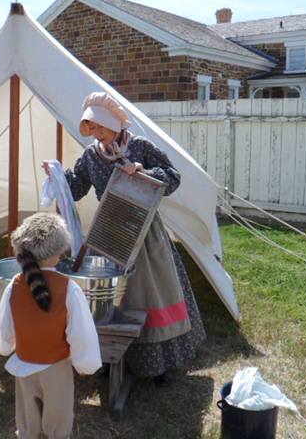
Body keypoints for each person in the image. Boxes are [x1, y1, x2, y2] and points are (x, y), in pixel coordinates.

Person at [42, 92, 206, 387]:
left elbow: (173, 177)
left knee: (151, 293)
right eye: (92, 128)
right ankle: (110, 358)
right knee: (110, 299)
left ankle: (160, 363)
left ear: (113, 123)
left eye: (100, 127)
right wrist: (56, 175)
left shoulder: (140, 146)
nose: (97, 133)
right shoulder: (92, 155)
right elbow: (77, 187)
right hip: (109, 233)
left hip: (145, 232)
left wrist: (144, 171)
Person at [0, 212, 102, 439]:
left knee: (26, 418)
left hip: (23, 363)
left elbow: (5, 327)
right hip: (56, 367)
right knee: (59, 416)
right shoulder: (69, 289)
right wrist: (85, 364)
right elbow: (81, 334)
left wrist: (6, 347)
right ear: (58, 254)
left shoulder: (14, 286)